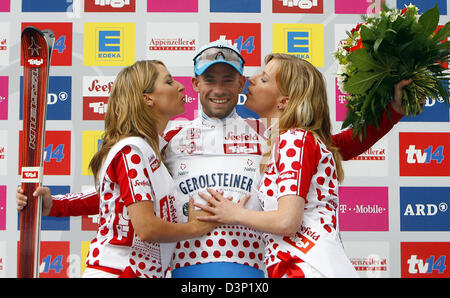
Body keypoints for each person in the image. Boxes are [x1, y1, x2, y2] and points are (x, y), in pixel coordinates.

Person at [18, 40, 412, 278]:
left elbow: (334, 146)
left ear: (242, 83)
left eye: (229, 79)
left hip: (255, 269)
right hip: (185, 270)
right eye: (210, 79)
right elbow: (126, 197)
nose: (219, 89)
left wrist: (391, 112)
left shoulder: (272, 134)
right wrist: (54, 205)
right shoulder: (168, 137)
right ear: (196, 84)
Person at [194, 53, 414, 278]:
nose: (251, 79)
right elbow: (342, 144)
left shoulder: (295, 140)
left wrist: (234, 213)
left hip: (305, 267)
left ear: (284, 101)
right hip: (304, 266)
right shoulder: (297, 139)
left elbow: (287, 221)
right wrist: (393, 111)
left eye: (264, 79)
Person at [24, 60, 216, 278]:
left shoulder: (149, 150)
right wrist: (194, 228)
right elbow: (146, 228)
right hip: (118, 271)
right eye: (169, 81)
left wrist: (55, 205)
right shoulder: (132, 150)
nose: (181, 87)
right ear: (147, 98)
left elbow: (113, 199)